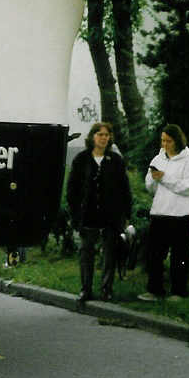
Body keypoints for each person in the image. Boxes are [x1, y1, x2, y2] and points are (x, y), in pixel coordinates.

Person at [66, 122, 132, 304]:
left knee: (109, 255)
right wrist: (75, 215)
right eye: (100, 134)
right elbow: (72, 190)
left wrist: (126, 214)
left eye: (106, 135)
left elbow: (124, 189)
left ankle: (106, 290)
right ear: (92, 137)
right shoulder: (81, 160)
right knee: (86, 253)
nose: (103, 138)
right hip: (88, 216)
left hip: (110, 217)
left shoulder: (116, 161)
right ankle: (85, 289)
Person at [139, 124, 189, 302]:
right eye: (163, 140)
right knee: (154, 254)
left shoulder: (187, 160)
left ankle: (179, 292)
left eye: (169, 141)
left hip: (179, 214)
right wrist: (153, 178)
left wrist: (164, 178)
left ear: (177, 141)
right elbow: (150, 186)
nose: (165, 144)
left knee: (179, 255)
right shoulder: (159, 157)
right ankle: (155, 290)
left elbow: (187, 187)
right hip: (160, 212)